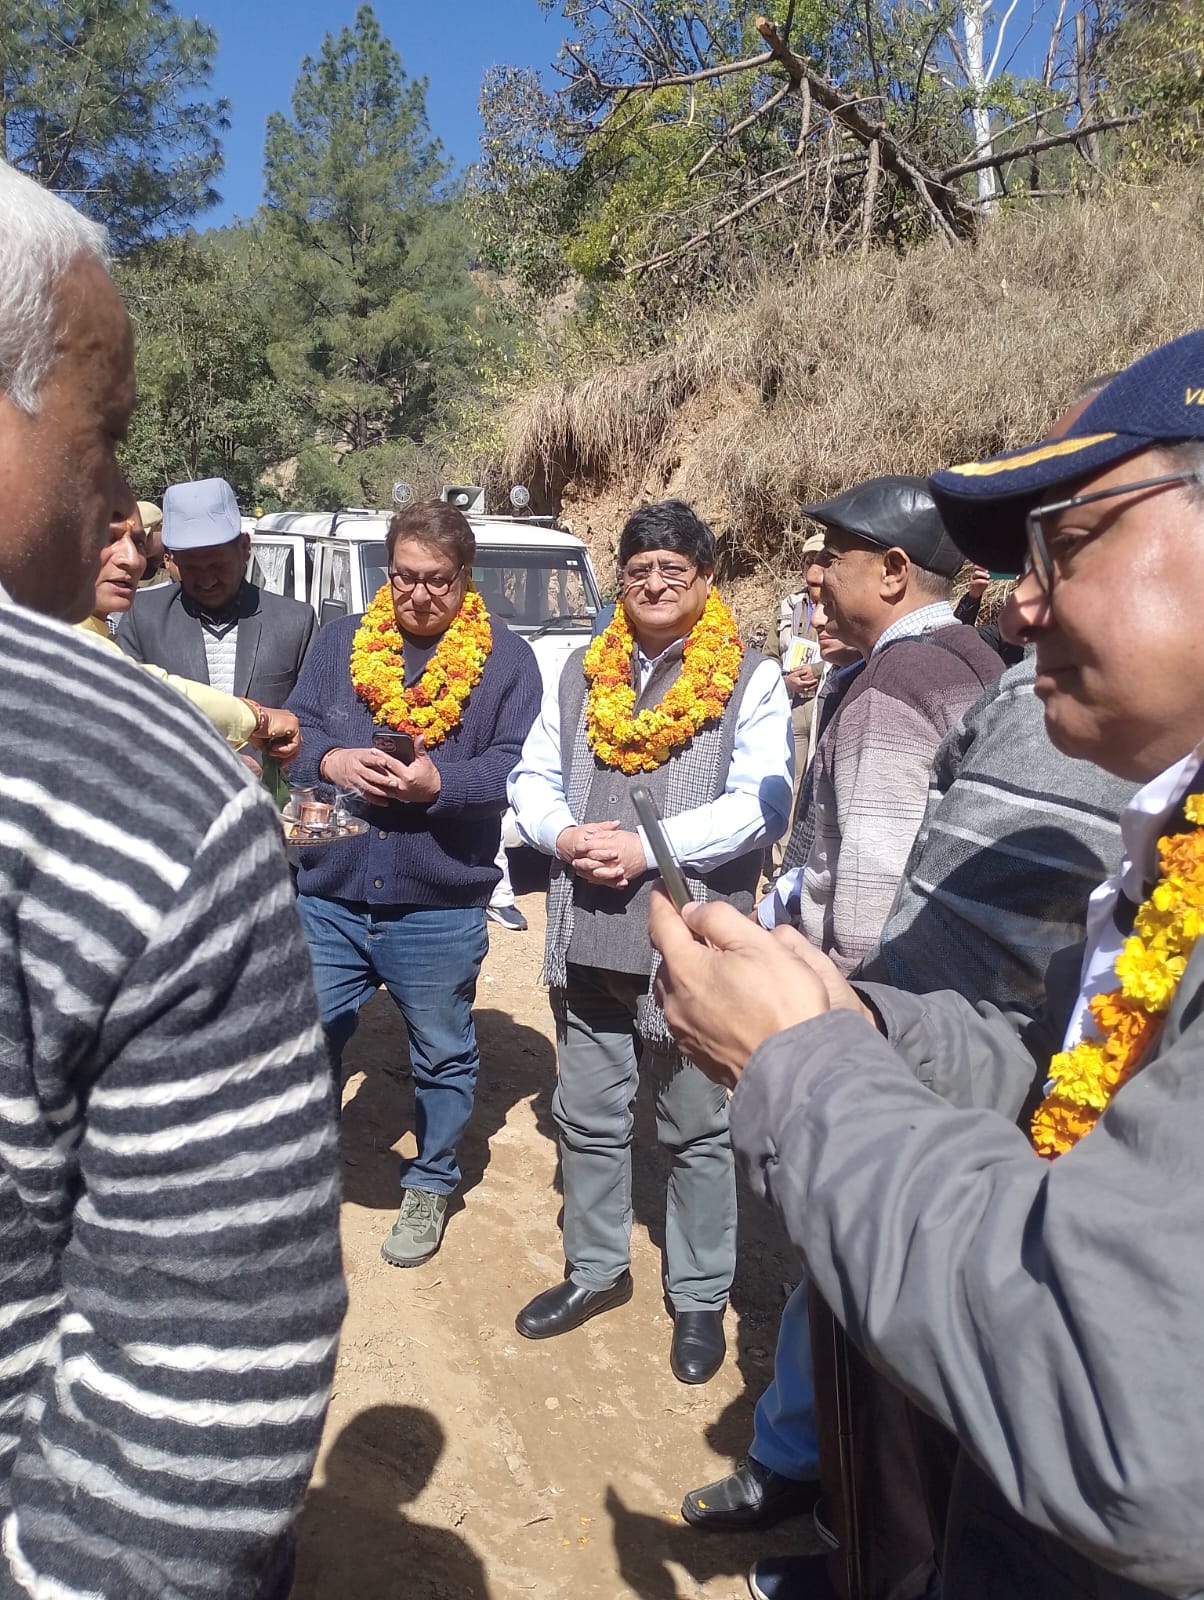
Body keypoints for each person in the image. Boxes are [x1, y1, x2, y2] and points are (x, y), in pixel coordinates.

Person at [650, 328, 1204, 1598]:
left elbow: (1118, 1396)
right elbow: (1066, 1069)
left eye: (1066, 540)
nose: (1018, 599)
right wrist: (868, 1024)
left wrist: (807, 1061)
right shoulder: (1161, 836)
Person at [0, 157, 345, 1599]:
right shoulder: (127, 756)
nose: (136, 520)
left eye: (197, 543)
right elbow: (198, 1391)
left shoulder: (296, 624)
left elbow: (311, 726)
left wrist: (292, 753)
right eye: (109, 436)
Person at [508, 499, 793, 1384]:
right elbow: (531, 774)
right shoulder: (579, 672)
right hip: (589, 926)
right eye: (639, 570)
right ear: (620, 581)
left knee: (695, 1127)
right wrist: (561, 836)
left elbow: (763, 802)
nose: (656, 583)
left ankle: (699, 1298)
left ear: (707, 581)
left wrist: (649, 847)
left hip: (694, 940)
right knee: (588, 1116)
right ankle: (595, 1271)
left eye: (676, 569)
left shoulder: (751, 677)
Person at [285, 498, 543, 1267]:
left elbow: (515, 764)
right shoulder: (341, 643)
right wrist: (329, 762)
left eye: (436, 580)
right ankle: (300, 1172)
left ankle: (430, 1181)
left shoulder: (507, 661)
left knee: (440, 1049)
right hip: (328, 891)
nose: (417, 594)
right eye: (403, 577)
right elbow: (298, 730)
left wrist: (442, 783)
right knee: (304, 1039)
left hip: (435, 898)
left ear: (465, 577)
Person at [781, 475, 1003, 971]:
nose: (820, 572)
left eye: (834, 557)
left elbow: (869, 897)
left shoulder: (888, 688)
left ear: (893, 571)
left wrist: (853, 1008)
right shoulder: (977, 657)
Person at [80, 506, 302, 756]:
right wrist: (257, 719)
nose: (132, 560)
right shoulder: (61, 641)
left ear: (244, 548)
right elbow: (145, 694)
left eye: (139, 543)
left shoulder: (296, 619)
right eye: (107, 539)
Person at [118, 476, 317, 707]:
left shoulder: (296, 623)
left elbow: (313, 719)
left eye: (217, 565)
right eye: (191, 568)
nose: (206, 580)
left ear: (244, 548)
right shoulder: (142, 618)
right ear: (171, 560)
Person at [136, 497, 167, 582]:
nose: (141, 543)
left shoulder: (180, 559)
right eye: (135, 539)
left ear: (161, 528)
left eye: (146, 536)